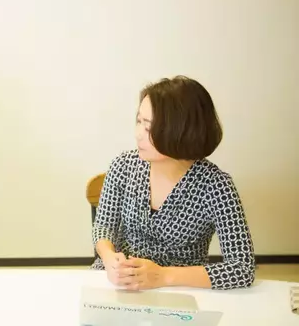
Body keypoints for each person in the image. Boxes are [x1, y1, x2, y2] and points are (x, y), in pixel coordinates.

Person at [92, 76, 255, 291]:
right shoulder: (124, 165)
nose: (138, 134)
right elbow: (104, 226)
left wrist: (163, 276)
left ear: (180, 131)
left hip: (180, 287)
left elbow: (242, 268)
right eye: (139, 121)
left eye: (149, 128)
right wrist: (108, 257)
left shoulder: (216, 186)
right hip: (120, 281)